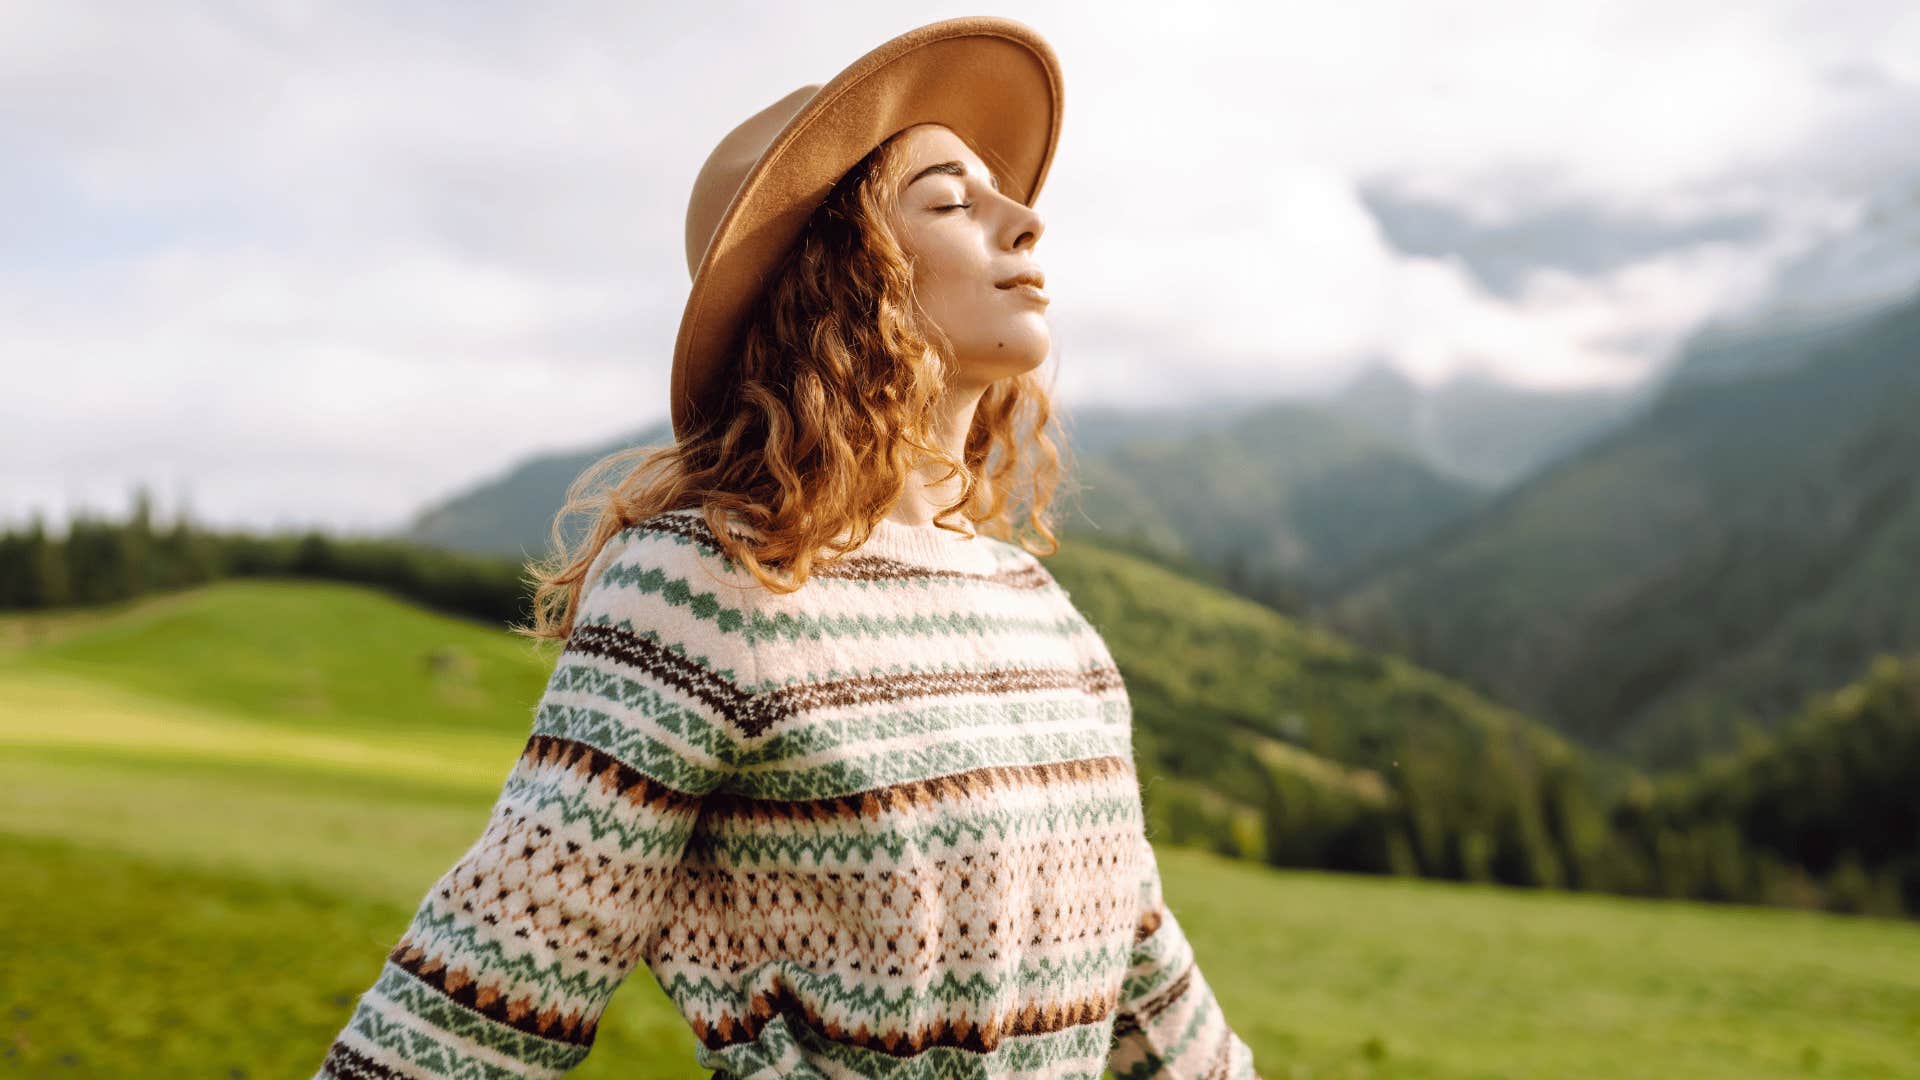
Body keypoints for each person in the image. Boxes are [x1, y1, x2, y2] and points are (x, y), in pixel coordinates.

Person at [310, 16, 1258, 1080]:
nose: (1025, 220)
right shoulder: (704, 590)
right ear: (842, 280)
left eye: (1004, 193)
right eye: (950, 200)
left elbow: (1151, 996)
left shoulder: (1046, 618)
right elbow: (488, 987)